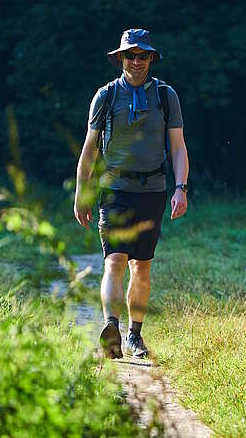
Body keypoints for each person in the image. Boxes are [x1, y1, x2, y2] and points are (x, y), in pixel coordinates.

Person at [74, 28, 189, 359]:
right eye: (130, 56)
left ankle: (134, 335)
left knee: (142, 267)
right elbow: (90, 150)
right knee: (115, 260)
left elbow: (178, 148)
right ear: (120, 58)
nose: (136, 62)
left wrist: (180, 188)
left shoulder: (166, 96)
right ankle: (111, 326)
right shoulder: (106, 97)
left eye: (142, 56)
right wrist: (82, 193)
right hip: (114, 190)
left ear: (151, 58)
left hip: (153, 191)